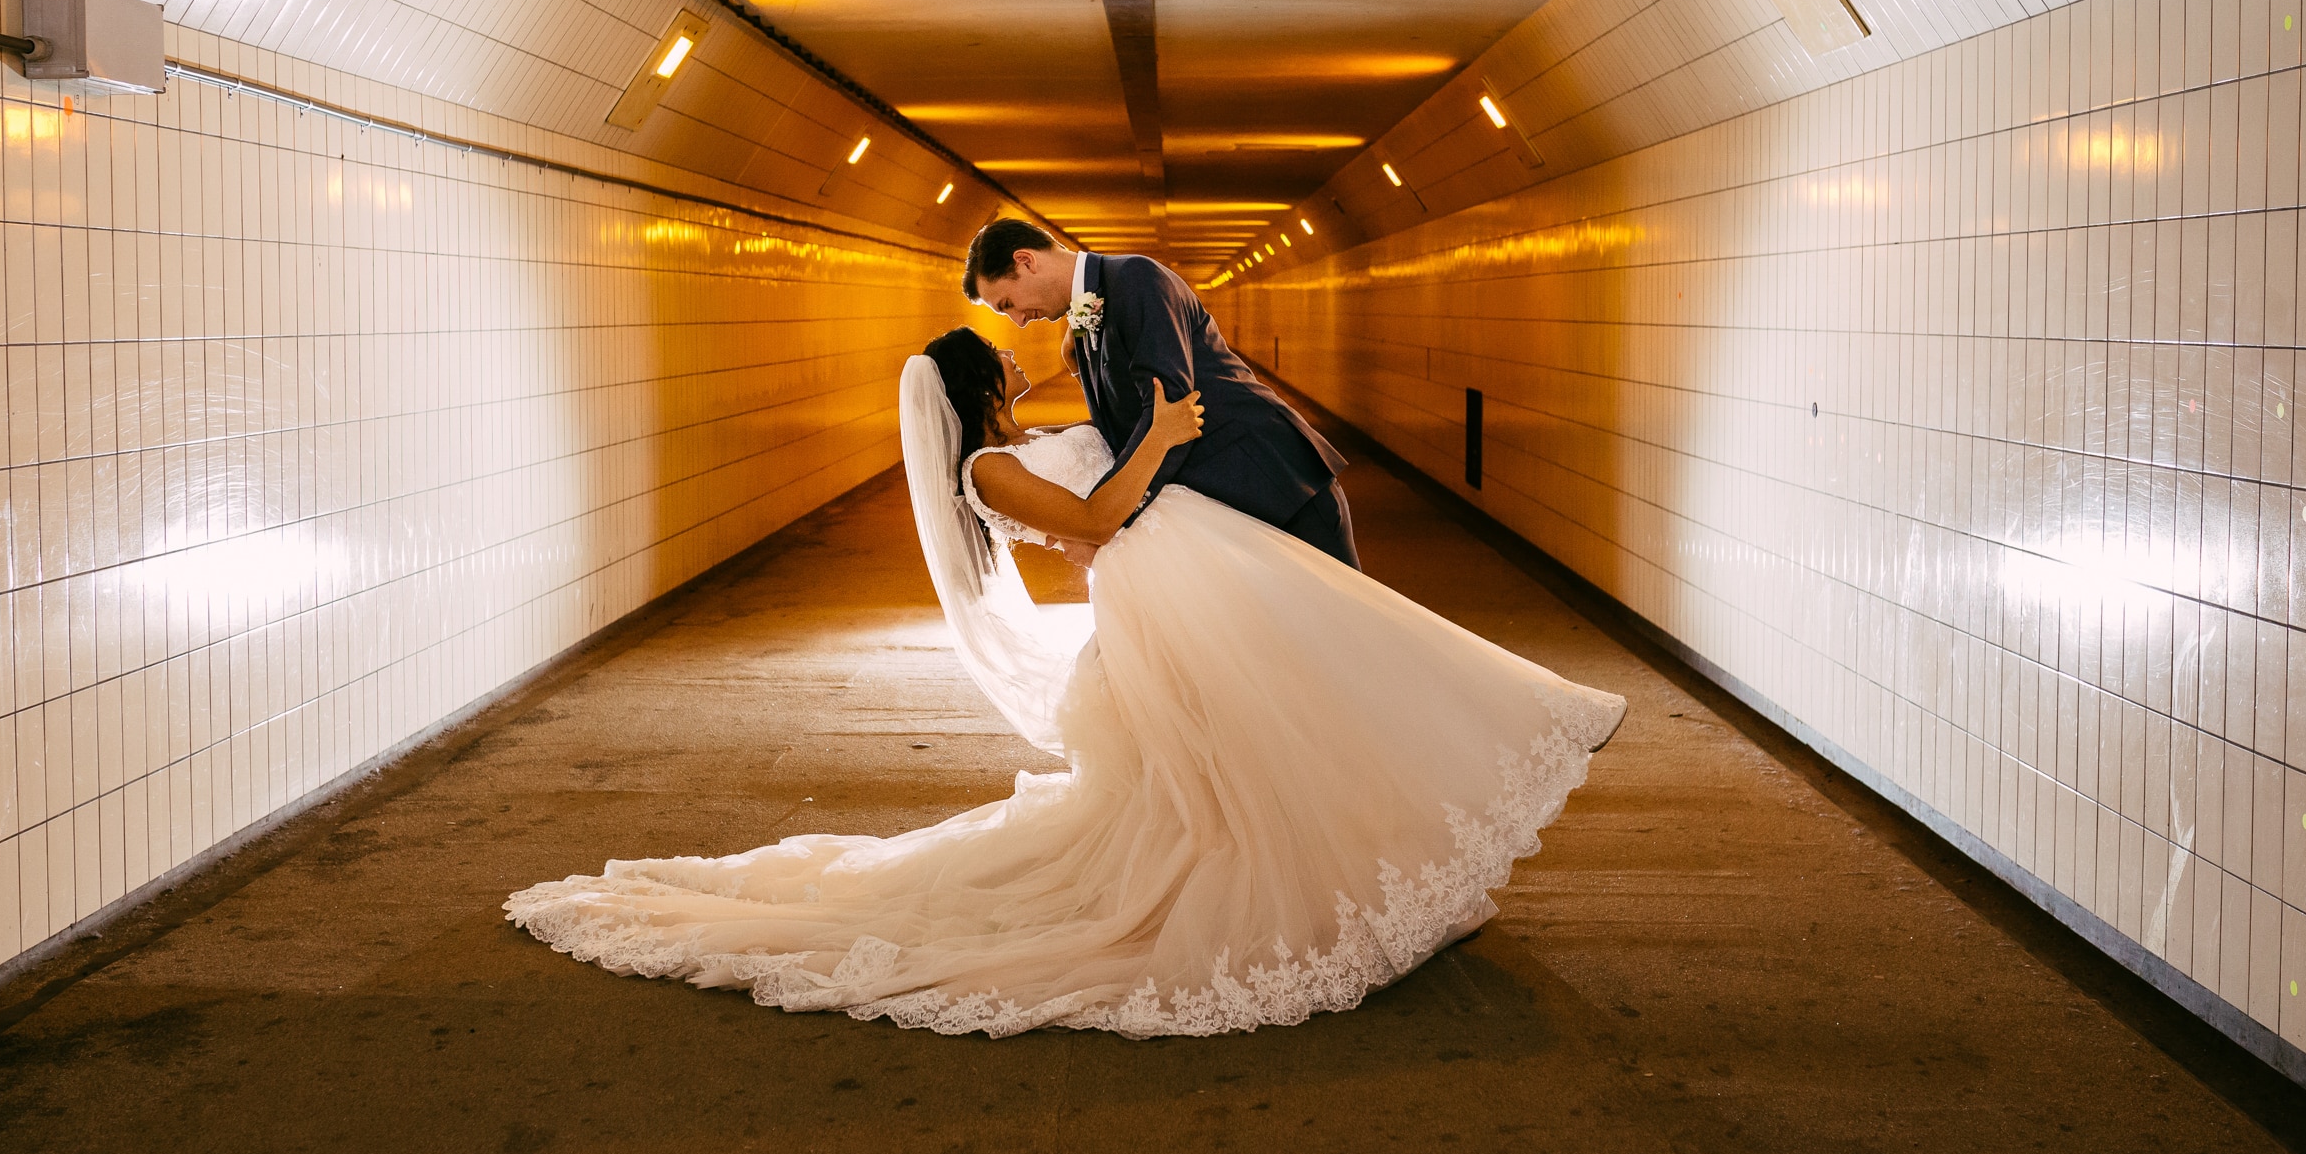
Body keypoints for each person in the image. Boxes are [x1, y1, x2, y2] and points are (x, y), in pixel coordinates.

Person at [504, 324, 1627, 1039]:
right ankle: (1333, 887)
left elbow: (1094, 512)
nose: (1013, 355)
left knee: (1250, 743)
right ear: (971, 386)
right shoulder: (989, 466)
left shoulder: (1016, 439)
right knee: (1219, 761)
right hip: (1155, 604)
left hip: (1171, 590)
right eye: (994, 355)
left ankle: (1367, 873)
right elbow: (1094, 518)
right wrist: (1163, 436)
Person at [964, 218, 1361, 569]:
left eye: (1009, 304)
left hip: (1274, 483)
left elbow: (1169, 413)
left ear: (1025, 261)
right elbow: (1121, 423)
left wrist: (1110, 524)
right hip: (1227, 504)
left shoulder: (1136, 278)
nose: (1018, 321)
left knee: (1345, 630)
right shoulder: (1082, 319)